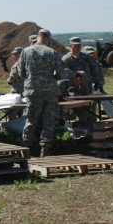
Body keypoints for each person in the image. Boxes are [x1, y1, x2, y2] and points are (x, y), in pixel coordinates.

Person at [18, 28, 67, 157]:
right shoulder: (51, 52)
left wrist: (31, 78)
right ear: (48, 39)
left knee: (31, 120)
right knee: (49, 121)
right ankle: (45, 149)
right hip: (50, 92)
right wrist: (52, 77)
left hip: (33, 91)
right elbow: (62, 73)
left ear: (38, 37)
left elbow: (20, 72)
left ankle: (26, 148)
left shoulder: (25, 51)